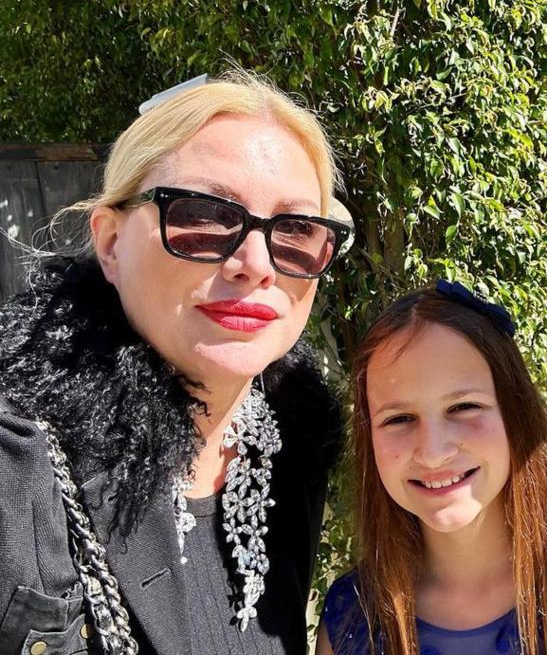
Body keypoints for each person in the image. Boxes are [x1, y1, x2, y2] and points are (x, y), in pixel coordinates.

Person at [0, 72, 353, 655]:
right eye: (203, 215)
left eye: (295, 230)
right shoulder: (18, 455)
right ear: (111, 244)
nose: (256, 264)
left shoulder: (293, 449)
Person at [316, 281, 547, 655]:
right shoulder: (348, 619)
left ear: (516, 415)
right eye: (400, 418)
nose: (433, 452)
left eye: (463, 407)